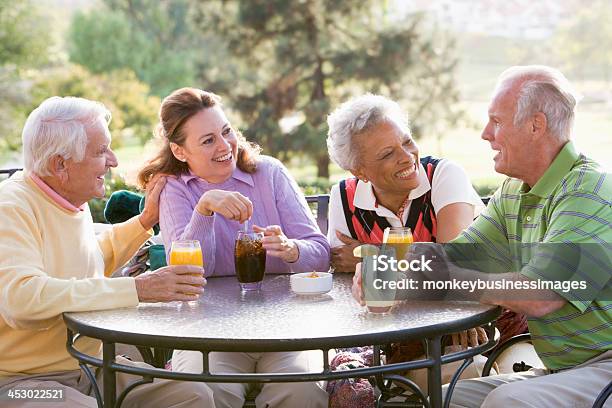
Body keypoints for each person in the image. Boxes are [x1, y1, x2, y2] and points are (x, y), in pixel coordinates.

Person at [355, 66, 612, 408]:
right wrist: (384, 266)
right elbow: (456, 256)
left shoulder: (590, 190)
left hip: (604, 365)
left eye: (496, 121)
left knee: (506, 402)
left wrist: (445, 279)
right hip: (565, 369)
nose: (485, 134)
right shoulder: (515, 192)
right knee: (445, 399)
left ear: (536, 125)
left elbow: (541, 295)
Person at [0, 96, 214, 407]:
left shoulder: (68, 198)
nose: (113, 160)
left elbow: (86, 260)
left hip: (90, 369)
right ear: (60, 165)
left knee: (192, 396)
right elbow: (21, 299)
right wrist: (137, 288)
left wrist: (144, 221)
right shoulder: (11, 208)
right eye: (101, 151)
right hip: (18, 382)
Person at [137, 87, 330, 408]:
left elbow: (320, 254)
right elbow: (189, 274)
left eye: (226, 131)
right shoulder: (174, 189)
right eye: (208, 140)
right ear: (180, 151)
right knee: (205, 395)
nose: (225, 146)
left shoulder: (269, 173)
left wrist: (291, 249)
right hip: (208, 334)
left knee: (302, 392)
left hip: (287, 331)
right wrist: (205, 209)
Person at [325, 94, 508, 407]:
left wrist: (371, 252)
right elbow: (343, 271)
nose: (407, 156)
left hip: (473, 324)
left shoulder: (443, 176)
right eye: (387, 154)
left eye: (407, 141)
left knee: (462, 376)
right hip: (396, 336)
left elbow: (454, 262)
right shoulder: (344, 197)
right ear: (360, 171)